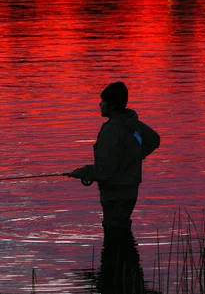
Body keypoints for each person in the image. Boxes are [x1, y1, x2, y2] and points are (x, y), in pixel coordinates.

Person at [68, 81, 160, 235]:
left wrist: (82, 172)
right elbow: (153, 140)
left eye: (103, 101)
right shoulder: (131, 122)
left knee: (115, 237)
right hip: (131, 190)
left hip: (115, 194)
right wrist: (131, 158)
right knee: (123, 232)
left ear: (112, 106)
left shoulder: (111, 130)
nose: (100, 104)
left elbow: (105, 172)